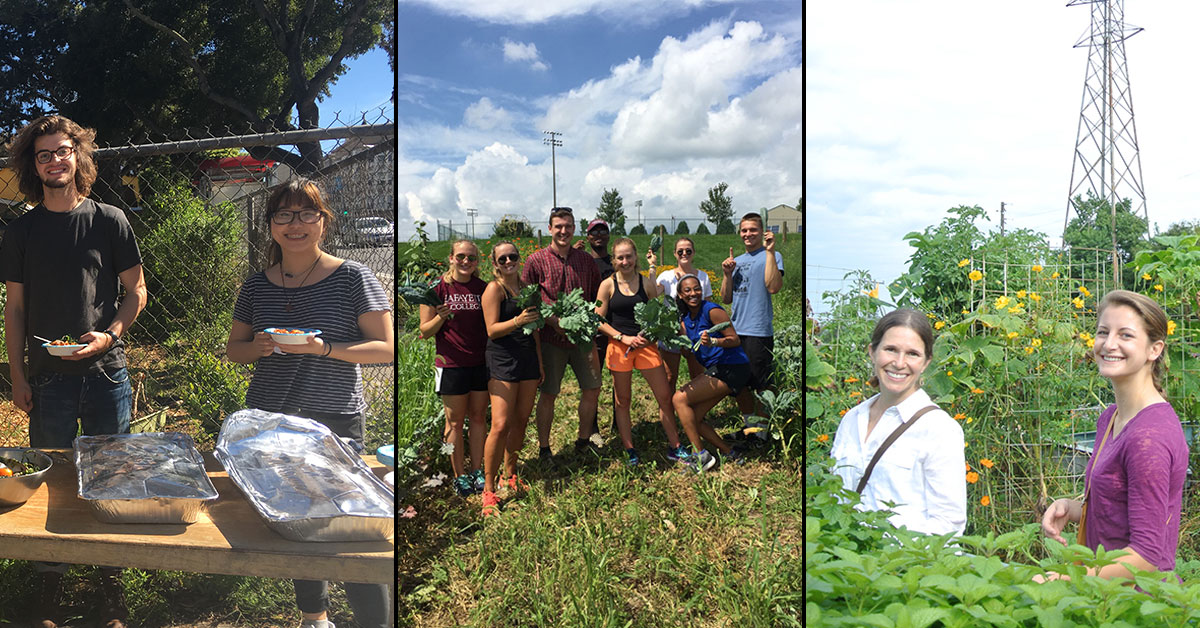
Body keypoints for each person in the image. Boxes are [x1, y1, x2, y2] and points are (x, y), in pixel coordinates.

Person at [226, 178, 394, 628]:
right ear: (271, 225)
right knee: (297, 519)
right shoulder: (256, 286)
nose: (295, 224)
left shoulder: (352, 276)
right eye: (284, 214)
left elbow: (386, 348)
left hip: (333, 416)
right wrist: (260, 346)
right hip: (271, 416)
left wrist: (322, 349)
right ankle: (314, 618)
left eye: (306, 214)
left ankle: (374, 622)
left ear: (323, 221)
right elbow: (233, 349)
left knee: (353, 524)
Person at [2, 115, 148, 628]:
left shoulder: (110, 219)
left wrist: (110, 334)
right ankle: (50, 588)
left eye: (62, 151)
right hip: (46, 378)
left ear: (78, 156)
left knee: (112, 475)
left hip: (107, 373)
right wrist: (18, 377)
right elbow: (14, 310)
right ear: (32, 165)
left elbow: (137, 293)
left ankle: (112, 587)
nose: (54, 161)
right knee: (52, 479)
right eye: (43, 154)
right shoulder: (21, 230)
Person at [1037, 290, 1187, 582]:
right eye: (1103, 332)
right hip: (1105, 595)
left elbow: (1146, 556)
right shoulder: (1112, 417)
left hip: (1133, 606)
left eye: (1126, 335)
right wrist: (1073, 508)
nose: (1109, 344)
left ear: (1154, 349)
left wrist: (1064, 580)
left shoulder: (1149, 438)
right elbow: (1121, 509)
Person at [828, 309, 966, 537]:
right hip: (847, 562)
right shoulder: (852, 419)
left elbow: (949, 525)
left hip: (904, 566)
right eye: (890, 350)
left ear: (926, 362)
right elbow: (835, 497)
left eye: (912, 354)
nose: (899, 363)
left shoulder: (940, 430)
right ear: (872, 352)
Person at [594, 238, 687, 465]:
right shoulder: (607, 285)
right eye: (620, 257)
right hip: (619, 347)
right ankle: (630, 449)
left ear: (636, 257)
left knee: (664, 397)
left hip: (646, 346)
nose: (625, 261)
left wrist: (650, 335)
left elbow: (657, 315)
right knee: (623, 400)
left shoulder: (645, 284)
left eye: (629, 256)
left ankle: (675, 445)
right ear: (614, 260)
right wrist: (621, 337)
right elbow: (597, 318)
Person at [522, 207, 603, 461]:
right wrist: (552, 319)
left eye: (568, 226)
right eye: (558, 226)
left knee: (592, 388)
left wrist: (585, 322)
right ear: (549, 229)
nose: (563, 231)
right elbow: (529, 300)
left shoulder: (586, 261)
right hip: (550, 338)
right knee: (549, 393)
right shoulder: (536, 261)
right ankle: (544, 448)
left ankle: (582, 439)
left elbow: (594, 297)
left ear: (574, 228)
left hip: (581, 338)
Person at [418, 240, 489, 496]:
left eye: (471, 258)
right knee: (454, 423)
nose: (466, 262)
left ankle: (477, 470)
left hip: (481, 363)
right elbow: (424, 331)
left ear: (477, 262)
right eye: (461, 256)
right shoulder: (436, 290)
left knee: (479, 418)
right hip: (451, 365)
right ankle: (459, 476)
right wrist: (441, 316)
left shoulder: (484, 289)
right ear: (450, 258)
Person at [480, 242, 543, 516]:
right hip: (503, 360)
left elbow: (536, 328)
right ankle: (489, 488)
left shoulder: (528, 289)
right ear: (495, 263)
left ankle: (511, 475)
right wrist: (518, 321)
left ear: (520, 258)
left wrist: (540, 363)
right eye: (502, 258)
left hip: (528, 359)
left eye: (512, 256)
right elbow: (492, 330)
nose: (508, 261)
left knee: (521, 419)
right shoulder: (495, 289)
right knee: (501, 424)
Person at [671, 275, 750, 472]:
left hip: (732, 367)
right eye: (687, 290)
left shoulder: (712, 310)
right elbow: (686, 351)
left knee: (679, 399)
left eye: (696, 289)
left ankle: (701, 456)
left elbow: (734, 339)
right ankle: (729, 452)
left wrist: (713, 341)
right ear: (680, 295)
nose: (693, 294)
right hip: (717, 369)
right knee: (692, 418)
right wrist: (677, 340)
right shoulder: (685, 321)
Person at [720, 212, 783, 433]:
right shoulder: (737, 261)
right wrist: (727, 274)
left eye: (753, 230)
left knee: (760, 384)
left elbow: (773, 287)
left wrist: (770, 252)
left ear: (762, 232)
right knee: (738, 384)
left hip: (758, 330)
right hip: (736, 331)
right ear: (740, 233)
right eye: (744, 230)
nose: (748, 234)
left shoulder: (772, 256)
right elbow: (726, 298)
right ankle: (751, 427)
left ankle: (763, 431)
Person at [655, 237, 714, 391]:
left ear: (693, 253)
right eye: (680, 251)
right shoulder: (666, 276)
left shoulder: (703, 277)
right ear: (675, 254)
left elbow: (707, 305)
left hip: (695, 330)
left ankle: (694, 411)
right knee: (669, 377)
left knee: (697, 376)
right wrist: (652, 268)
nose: (684, 254)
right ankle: (669, 412)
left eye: (688, 251)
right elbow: (652, 295)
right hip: (671, 331)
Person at [574, 218, 614, 442]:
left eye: (603, 230)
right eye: (593, 231)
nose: (598, 234)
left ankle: (619, 421)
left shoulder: (616, 262)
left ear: (608, 235)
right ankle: (593, 428)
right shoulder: (584, 262)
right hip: (593, 330)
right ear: (587, 236)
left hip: (616, 328)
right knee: (593, 382)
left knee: (619, 379)